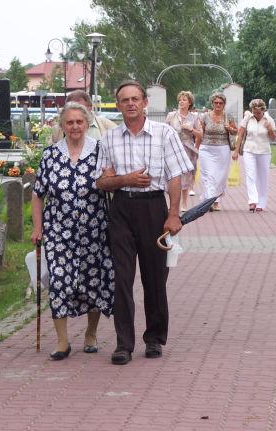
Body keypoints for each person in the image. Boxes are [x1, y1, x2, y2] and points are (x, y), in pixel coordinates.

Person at [96, 80, 193, 365]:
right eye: (124, 100)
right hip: (122, 209)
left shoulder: (164, 133)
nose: (130, 104)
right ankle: (123, 344)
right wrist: (124, 180)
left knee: (154, 278)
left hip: (153, 207)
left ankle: (154, 339)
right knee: (122, 279)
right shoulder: (110, 138)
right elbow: (102, 182)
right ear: (118, 105)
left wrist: (173, 214)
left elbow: (175, 176)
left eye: (135, 99)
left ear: (145, 103)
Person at [31, 102, 115, 360]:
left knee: (93, 282)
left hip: (94, 230)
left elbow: (112, 183)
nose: (75, 126)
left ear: (87, 123)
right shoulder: (50, 155)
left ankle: (90, 334)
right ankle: (63, 341)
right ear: (62, 125)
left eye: (79, 121)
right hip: (58, 231)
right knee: (59, 282)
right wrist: (37, 228)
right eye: (70, 122)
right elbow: (37, 195)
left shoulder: (100, 151)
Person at [233, 99, 276, 212]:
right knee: (250, 175)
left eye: (258, 112)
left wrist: (270, 129)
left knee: (263, 177)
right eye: (254, 111)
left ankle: (261, 203)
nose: (256, 114)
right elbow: (240, 135)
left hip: (264, 151)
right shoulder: (247, 118)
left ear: (263, 110)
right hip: (249, 150)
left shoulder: (268, 119)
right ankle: (252, 200)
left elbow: (273, 138)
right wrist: (236, 151)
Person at [198, 92, 237, 211]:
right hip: (206, 148)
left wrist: (229, 128)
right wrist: (196, 146)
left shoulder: (228, 116)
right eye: (216, 102)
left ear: (224, 104)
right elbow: (201, 133)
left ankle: (216, 201)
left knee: (220, 177)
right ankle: (210, 200)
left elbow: (236, 131)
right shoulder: (205, 116)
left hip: (222, 149)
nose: (218, 104)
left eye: (220, 103)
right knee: (208, 175)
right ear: (212, 103)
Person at [165, 91, 202, 212]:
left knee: (186, 176)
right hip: (173, 149)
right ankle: (172, 204)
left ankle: (184, 203)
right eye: (180, 99)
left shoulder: (194, 117)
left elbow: (201, 135)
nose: (181, 101)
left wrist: (191, 129)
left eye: (184, 100)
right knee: (173, 176)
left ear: (189, 102)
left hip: (188, 150)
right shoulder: (171, 115)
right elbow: (164, 132)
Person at [51, 90, 117, 143]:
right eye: (71, 108)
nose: (76, 111)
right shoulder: (58, 130)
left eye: (80, 108)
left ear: (90, 107)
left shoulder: (107, 126)